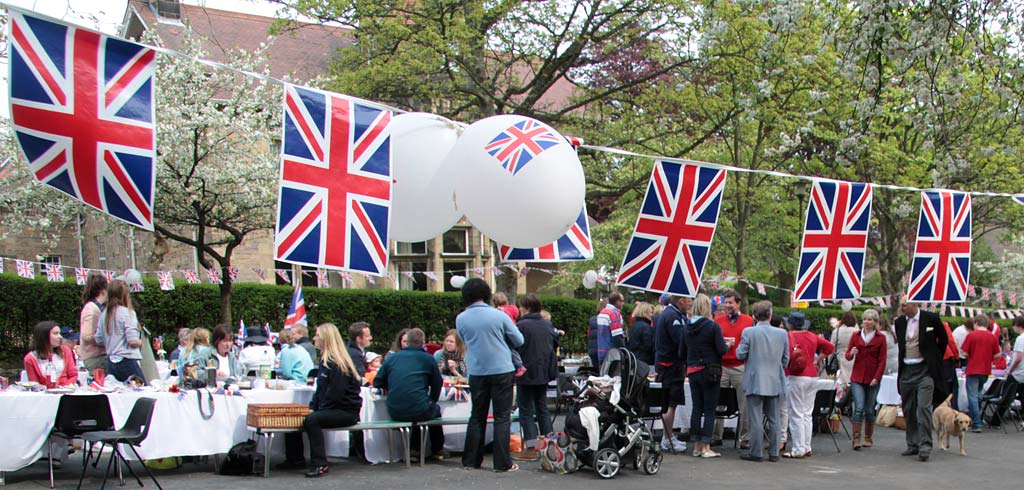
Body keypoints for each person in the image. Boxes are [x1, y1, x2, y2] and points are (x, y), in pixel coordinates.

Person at [456, 278, 523, 472]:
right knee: (502, 416)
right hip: (501, 368)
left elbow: (465, 339)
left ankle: (471, 460)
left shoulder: (461, 318)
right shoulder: (498, 315)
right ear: (486, 294)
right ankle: (502, 463)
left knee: (477, 415)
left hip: (476, 370)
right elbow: (519, 340)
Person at [281, 323, 362, 478]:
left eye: (317, 335)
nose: (314, 338)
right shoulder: (326, 362)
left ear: (326, 339)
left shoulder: (338, 364)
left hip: (346, 411)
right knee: (296, 414)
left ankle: (320, 463)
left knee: (312, 420)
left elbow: (336, 394)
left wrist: (318, 410)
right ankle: (294, 458)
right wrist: (312, 406)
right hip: (334, 408)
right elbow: (321, 391)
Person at [373, 328, 448, 461]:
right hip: (419, 408)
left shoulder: (393, 358)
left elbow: (378, 381)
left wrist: (393, 386)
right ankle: (437, 449)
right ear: (423, 342)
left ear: (407, 342)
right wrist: (432, 400)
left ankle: (415, 450)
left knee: (418, 407)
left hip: (394, 409)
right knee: (431, 410)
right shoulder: (428, 359)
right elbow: (437, 383)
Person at [894, 301, 948, 462]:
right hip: (907, 370)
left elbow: (943, 339)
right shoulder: (899, 322)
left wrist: (934, 358)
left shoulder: (931, 318)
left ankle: (925, 446)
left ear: (914, 305)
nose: (902, 308)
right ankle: (913, 444)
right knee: (909, 409)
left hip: (925, 371)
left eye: (904, 305)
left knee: (923, 408)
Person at [736, 300, 788, 463]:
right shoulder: (782, 334)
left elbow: (740, 354)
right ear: (770, 315)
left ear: (754, 316)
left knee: (756, 418)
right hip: (774, 380)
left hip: (754, 379)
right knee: (774, 419)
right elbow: (786, 359)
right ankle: (774, 452)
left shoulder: (748, 332)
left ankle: (756, 452)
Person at [681, 294, 730, 458]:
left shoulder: (687, 327)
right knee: (709, 410)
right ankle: (706, 447)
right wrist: (727, 344)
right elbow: (721, 350)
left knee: (696, 408)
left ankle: (696, 445)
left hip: (693, 370)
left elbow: (682, 351)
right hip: (711, 371)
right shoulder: (712, 326)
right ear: (707, 308)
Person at [513, 294, 559, 461]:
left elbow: (515, 346)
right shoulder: (547, 325)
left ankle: (531, 448)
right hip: (544, 372)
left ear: (527, 307)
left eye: (521, 306)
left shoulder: (522, 325)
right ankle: (550, 445)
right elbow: (554, 344)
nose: (519, 309)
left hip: (526, 372)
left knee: (526, 410)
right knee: (542, 408)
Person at [782, 311, 834, 459]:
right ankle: (806, 446)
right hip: (812, 375)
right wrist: (817, 360)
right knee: (806, 413)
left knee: (796, 413)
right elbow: (830, 347)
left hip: (795, 375)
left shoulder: (788, 336)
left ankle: (798, 448)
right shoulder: (812, 336)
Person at [713, 289, 753, 448]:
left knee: (744, 404)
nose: (727, 305)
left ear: (738, 303)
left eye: (730, 302)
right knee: (718, 402)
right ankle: (716, 435)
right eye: (726, 302)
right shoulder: (718, 320)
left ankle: (745, 438)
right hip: (722, 365)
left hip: (740, 365)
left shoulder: (749, 321)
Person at [845, 309, 886, 450]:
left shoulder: (881, 338)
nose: (867, 322)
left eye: (870, 320)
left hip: (872, 377)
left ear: (875, 322)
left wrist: (877, 377)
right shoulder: (856, 336)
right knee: (859, 407)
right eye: (864, 320)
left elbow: (882, 361)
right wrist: (851, 353)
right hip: (857, 376)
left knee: (869, 409)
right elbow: (847, 355)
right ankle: (856, 438)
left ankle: (868, 437)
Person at [654, 294, 690, 453]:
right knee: (670, 403)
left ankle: (667, 437)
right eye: (688, 301)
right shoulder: (673, 317)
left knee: (669, 403)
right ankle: (668, 438)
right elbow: (681, 340)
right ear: (681, 300)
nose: (689, 304)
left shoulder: (668, 314)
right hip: (671, 365)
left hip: (667, 364)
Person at [94, 280, 144, 382]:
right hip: (127, 359)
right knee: (142, 390)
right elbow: (132, 340)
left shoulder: (104, 314)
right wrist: (140, 342)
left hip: (111, 361)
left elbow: (98, 339)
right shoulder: (127, 313)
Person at [961, 314, 1002, 432]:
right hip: (985, 370)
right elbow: (997, 354)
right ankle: (976, 419)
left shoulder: (971, 335)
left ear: (976, 323)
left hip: (973, 368)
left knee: (972, 396)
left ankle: (976, 423)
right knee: (978, 395)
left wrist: (972, 355)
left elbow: (964, 353)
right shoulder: (992, 337)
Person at [24, 320, 79, 388]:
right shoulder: (30, 359)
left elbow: (73, 375)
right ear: (44, 336)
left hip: (66, 393)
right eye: (56, 333)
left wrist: (65, 387)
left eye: (60, 333)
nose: (60, 337)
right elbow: (34, 384)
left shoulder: (65, 351)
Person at [78, 272, 108, 373]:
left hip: (98, 356)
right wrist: (107, 339)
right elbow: (86, 336)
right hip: (95, 358)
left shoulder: (97, 307)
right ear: (103, 290)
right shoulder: (92, 309)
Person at [594, 292, 626, 365]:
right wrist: (624, 352)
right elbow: (617, 337)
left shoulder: (602, 312)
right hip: (612, 354)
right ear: (617, 301)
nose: (623, 303)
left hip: (601, 352)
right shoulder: (614, 314)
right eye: (622, 301)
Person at [832, 311, 859, 386]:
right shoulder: (856, 331)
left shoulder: (836, 331)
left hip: (840, 358)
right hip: (853, 358)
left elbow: (832, 347)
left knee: (840, 381)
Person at [586, 298, 608, 368]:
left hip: (593, 350)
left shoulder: (592, 320)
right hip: (604, 351)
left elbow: (589, 334)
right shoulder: (607, 319)